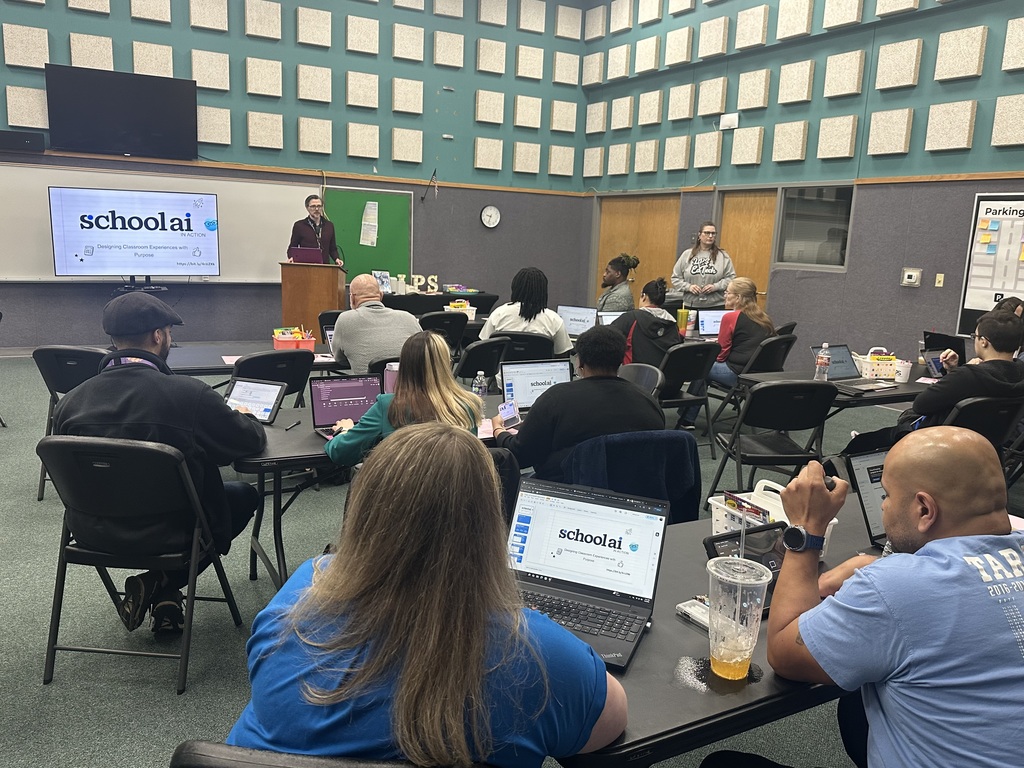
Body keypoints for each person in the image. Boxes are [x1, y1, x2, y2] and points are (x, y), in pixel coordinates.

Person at [227, 422, 627, 767]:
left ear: (362, 508)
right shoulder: (534, 652)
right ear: (490, 523)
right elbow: (611, 723)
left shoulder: (304, 584)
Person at [753, 426, 1024, 768]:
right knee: (856, 707)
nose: (883, 505)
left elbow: (783, 652)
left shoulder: (896, 589)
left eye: (887, 495)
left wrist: (806, 529)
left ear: (924, 510)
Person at [52, 292, 266, 633]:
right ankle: (163, 580)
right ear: (157, 336)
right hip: (173, 533)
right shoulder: (189, 396)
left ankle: (162, 589)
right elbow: (247, 442)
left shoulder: (70, 403)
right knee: (242, 496)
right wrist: (247, 418)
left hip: (92, 533)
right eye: (169, 331)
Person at [491, 325, 666, 481]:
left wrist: (499, 429)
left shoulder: (556, 398)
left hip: (569, 492)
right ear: (621, 361)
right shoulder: (648, 401)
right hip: (636, 493)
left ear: (580, 362)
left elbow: (520, 457)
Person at [845, 309, 1024, 452]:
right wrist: (954, 371)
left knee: (862, 443)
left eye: (974, 337)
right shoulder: (1018, 374)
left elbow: (921, 405)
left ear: (984, 342)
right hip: (985, 447)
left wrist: (961, 371)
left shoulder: (970, 375)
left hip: (937, 443)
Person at [324, 330, 482, 466]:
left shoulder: (388, 405)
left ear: (404, 365)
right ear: (447, 364)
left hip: (400, 498)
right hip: (455, 498)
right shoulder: (468, 404)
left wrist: (343, 431)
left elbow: (341, 453)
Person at [677, 277, 774, 429]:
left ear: (738, 297)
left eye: (727, 292)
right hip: (759, 375)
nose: (724, 296)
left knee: (702, 367)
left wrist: (713, 346)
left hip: (738, 375)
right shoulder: (763, 317)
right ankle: (686, 415)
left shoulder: (731, 317)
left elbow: (721, 356)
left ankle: (687, 418)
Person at [332, 273, 421, 374]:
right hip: (410, 387)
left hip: (368, 388)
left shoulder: (344, 320)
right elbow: (423, 355)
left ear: (352, 298)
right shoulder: (409, 318)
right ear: (381, 295)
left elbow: (339, 359)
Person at [479, 267, 573, 355]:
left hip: (501, 372)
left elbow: (483, 347)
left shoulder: (499, 314)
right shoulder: (554, 319)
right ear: (543, 291)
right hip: (540, 372)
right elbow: (562, 355)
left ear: (515, 288)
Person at [610, 277, 681, 366]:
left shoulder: (631, 318)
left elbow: (606, 337)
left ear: (644, 297)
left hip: (633, 376)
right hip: (663, 378)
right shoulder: (672, 323)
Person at [670, 221, 736, 311]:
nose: (710, 236)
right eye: (707, 233)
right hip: (691, 305)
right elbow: (675, 278)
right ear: (699, 235)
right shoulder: (687, 254)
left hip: (716, 305)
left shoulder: (723, 256)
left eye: (713, 233)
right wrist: (688, 287)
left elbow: (731, 278)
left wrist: (716, 286)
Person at [288, 194, 343, 266]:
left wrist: (337, 259)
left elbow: (332, 248)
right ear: (307, 208)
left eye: (319, 206)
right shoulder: (299, 226)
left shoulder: (329, 226)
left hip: (325, 267)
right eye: (313, 206)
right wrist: (291, 257)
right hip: (306, 267)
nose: (316, 209)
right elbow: (292, 247)